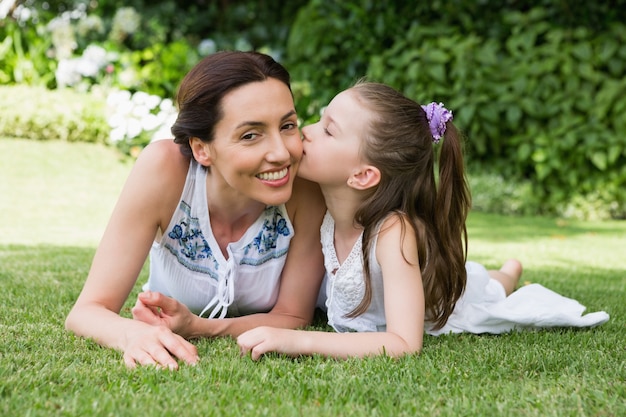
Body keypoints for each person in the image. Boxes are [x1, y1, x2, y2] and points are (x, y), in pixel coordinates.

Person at [65, 51, 326, 369]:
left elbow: (294, 315)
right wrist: (131, 335)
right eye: (250, 135)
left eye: (287, 125)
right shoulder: (163, 171)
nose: (282, 153)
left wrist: (201, 328)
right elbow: (88, 311)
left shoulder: (306, 187)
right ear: (201, 149)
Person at [236, 81, 524, 360]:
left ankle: (510, 271)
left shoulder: (392, 234)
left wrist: (299, 339)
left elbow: (404, 343)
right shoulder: (321, 208)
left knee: (486, 287)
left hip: (440, 298)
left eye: (328, 131)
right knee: (477, 276)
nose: (306, 131)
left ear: (362, 176)